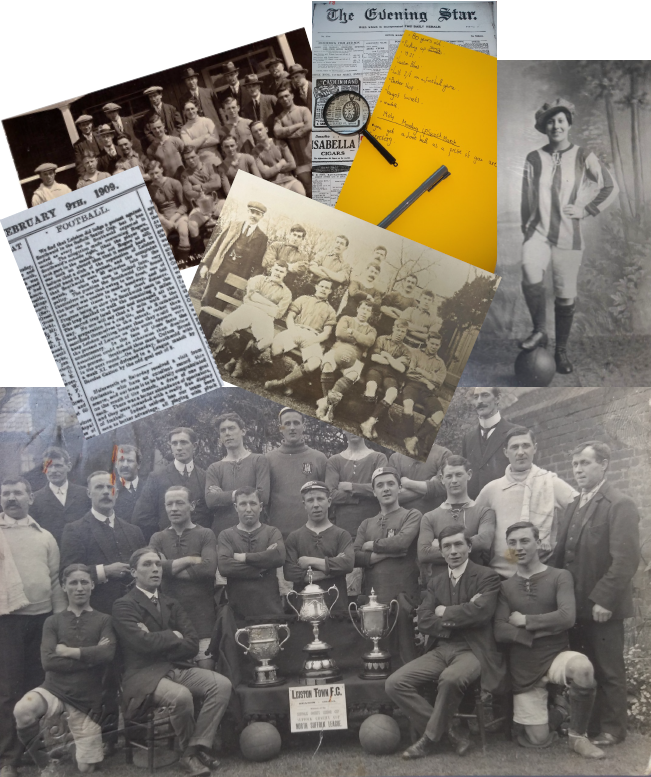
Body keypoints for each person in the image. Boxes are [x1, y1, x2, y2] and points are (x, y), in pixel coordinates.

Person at [385, 525, 506, 759]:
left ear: (469, 547)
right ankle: (451, 732)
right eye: (447, 546)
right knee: (395, 683)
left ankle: (428, 740)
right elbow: (425, 621)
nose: (453, 551)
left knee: (450, 678)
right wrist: (462, 611)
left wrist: (444, 611)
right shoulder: (435, 582)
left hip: (474, 650)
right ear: (441, 552)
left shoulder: (487, 576)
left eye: (458, 544)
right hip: (441, 649)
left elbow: (481, 613)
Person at [519, 99, 619, 374]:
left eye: (561, 120)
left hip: (569, 235)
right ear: (544, 127)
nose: (556, 125)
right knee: (529, 269)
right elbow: (526, 199)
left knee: (565, 296)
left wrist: (586, 209)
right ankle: (539, 330)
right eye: (550, 121)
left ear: (568, 124)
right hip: (538, 232)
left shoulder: (583, 154)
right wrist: (526, 230)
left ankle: (560, 351)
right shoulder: (533, 158)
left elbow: (610, 187)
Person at [550, 441, 640, 746]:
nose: (578, 470)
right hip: (575, 606)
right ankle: (587, 727)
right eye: (575, 464)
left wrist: (605, 599)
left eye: (585, 464)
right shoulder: (574, 505)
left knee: (608, 668)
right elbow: (562, 554)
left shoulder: (619, 503)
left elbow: (626, 559)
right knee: (584, 666)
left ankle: (613, 729)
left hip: (603, 606)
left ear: (604, 465)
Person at [112, 548, 231, 777]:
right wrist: (172, 635)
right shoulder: (124, 605)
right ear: (134, 572)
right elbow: (141, 644)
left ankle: (192, 750)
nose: (155, 569)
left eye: (158, 564)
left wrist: (157, 638)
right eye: (147, 565)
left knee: (221, 685)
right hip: (143, 675)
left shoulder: (171, 603)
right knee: (181, 696)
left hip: (176, 668)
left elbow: (193, 644)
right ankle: (193, 756)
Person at [495, 521, 605, 758]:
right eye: (512, 543)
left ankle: (578, 737)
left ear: (538, 542)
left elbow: (566, 617)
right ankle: (560, 711)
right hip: (524, 667)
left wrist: (526, 620)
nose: (519, 547)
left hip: (556, 655)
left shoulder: (560, 576)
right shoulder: (504, 587)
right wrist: (537, 634)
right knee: (538, 739)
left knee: (583, 668)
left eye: (525, 541)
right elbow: (500, 630)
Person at [13, 564, 116, 775]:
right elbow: (48, 662)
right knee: (22, 710)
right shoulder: (53, 621)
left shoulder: (104, 620)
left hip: (87, 697)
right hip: (54, 688)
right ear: (63, 586)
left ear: (92, 585)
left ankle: (71, 744)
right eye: (73, 583)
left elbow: (107, 655)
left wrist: (70, 652)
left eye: (84, 582)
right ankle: (46, 765)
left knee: (87, 767)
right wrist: (90, 656)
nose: (79, 588)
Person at [0, 477, 66, 777]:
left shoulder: (45, 536)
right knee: (8, 689)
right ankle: (9, 759)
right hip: (7, 622)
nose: (11, 498)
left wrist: (59, 622)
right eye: (6, 494)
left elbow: (54, 581)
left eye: (17, 493)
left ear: (31, 498)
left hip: (42, 620)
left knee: (39, 688)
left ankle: (40, 755)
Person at [475, 425, 577, 580]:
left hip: (540, 576)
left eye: (526, 446)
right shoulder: (492, 489)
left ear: (534, 449)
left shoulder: (550, 483)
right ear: (505, 452)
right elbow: (472, 522)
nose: (521, 452)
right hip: (500, 576)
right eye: (514, 447)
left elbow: (582, 508)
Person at [150, 486, 217, 670]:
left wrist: (169, 569)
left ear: (192, 505)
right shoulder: (157, 538)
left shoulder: (205, 534)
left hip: (202, 620)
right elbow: (153, 570)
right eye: (169, 504)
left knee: (207, 675)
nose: (174, 508)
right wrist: (189, 560)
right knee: (178, 678)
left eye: (179, 503)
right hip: (170, 623)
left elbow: (209, 569)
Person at [59, 471, 146, 614]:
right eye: (99, 487)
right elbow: (66, 573)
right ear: (88, 493)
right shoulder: (75, 530)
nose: (106, 492)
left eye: (110, 487)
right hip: (97, 611)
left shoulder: (133, 531)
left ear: (116, 494)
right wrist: (105, 571)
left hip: (135, 611)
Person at [418, 456, 496, 584]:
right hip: (441, 585)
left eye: (459, 475)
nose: (454, 480)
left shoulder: (484, 512)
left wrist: (443, 545)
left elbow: (484, 541)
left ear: (469, 475)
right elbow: (423, 553)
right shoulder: (430, 517)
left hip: (474, 583)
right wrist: (468, 545)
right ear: (442, 479)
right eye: (449, 476)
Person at [197, 200, 268, 337]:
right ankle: (198, 332)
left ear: (262, 217)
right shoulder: (233, 225)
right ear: (248, 212)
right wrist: (205, 264)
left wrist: (251, 282)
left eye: (258, 214)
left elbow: (258, 264)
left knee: (220, 305)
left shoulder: (262, 238)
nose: (254, 215)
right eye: (252, 212)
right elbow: (216, 245)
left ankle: (206, 335)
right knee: (207, 300)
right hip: (218, 270)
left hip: (237, 277)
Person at [353, 467, 422, 605]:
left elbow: (401, 542)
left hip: (405, 597)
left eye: (391, 484)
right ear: (374, 492)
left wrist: (372, 545)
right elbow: (355, 556)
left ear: (400, 488)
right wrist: (389, 553)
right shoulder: (366, 524)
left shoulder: (412, 515)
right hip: (373, 598)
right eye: (380, 485)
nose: (386, 489)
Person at [284, 481, 354, 614]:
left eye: (320, 499)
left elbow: (347, 564)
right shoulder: (294, 537)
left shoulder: (342, 535)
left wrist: (310, 561)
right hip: (304, 610)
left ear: (329, 501)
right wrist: (332, 569)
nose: (316, 505)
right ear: (304, 505)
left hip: (336, 606)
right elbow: (290, 572)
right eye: (310, 500)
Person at [217, 487, 285, 621]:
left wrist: (243, 557)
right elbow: (225, 566)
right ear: (236, 507)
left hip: (270, 608)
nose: (248, 509)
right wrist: (263, 566)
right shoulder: (226, 535)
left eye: (253, 503)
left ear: (260, 507)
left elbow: (278, 557)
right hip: (238, 612)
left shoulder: (272, 532)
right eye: (243, 504)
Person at [218, 260, 292, 379]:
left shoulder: (286, 293)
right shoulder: (258, 279)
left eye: (281, 271)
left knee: (266, 341)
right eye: (276, 269)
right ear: (271, 269)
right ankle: (238, 359)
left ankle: (242, 360)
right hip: (248, 309)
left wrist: (256, 301)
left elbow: (277, 313)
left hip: (265, 317)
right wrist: (271, 305)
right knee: (226, 325)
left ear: (286, 274)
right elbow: (251, 295)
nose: (278, 273)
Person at [132, 427, 209, 541]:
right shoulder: (157, 477)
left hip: (199, 543)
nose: (178, 448)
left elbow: (210, 515)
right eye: (174, 443)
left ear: (195, 445)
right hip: (168, 544)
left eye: (183, 442)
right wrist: (164, 536)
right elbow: (141, 517)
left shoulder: (205, 476)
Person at [264, 277, 337, 396]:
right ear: (316, 287)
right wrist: (293, 332)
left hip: (313, 336)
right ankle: (286, 380)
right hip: (296, 329)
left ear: (330, 292)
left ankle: (280, 383)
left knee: (314, 363)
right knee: (276, 347)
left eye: (327, 288)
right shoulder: (303, 299)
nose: (323, 289)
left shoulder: (331, 311)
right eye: (322, 286)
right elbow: (290, 317)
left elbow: (326, 333)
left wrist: (311, 340)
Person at [205, 412, 270, 537]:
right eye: (223, 430)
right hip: (223, 532)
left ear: (243, 431)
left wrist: (225, 495)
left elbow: (263, 495)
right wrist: (246, 493)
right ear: (220, 437)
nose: (227, 433)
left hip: (254, 532)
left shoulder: (258, 461)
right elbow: (210, 500)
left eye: (231, 428)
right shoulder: (214, 468)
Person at [266, 408, 327, 538]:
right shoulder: (268, 459)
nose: (292, 428)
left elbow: (327, 498)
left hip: (313, 534)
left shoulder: (319, 458)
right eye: (287, 424)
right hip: (278, 535)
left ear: (303, 426)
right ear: (280, 428)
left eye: (296, 423)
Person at [316, 298, 377, 424]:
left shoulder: (372, 330)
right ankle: (328, 404)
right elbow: (339, 333)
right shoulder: (346, 319)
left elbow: (369, 342)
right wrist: (358, 340)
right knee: (327, 365)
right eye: (363, 309)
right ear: (358, 309)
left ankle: (326, 405)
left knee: (353, 374)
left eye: (368, 310)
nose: (364, 312)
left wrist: (352, 332)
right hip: (337, 349)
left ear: (371, 314)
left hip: (355, 357)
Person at [325, 433, 388, 538]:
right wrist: (361, 496)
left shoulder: (378, 458)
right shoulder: (334, 461)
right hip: (344, 528)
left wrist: (351, 487)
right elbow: (329, 495)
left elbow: (382, 489)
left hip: (373, 526)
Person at [360, 318, 412, 440]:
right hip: (376, 370)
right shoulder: (382, 339)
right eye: (398, 330)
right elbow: (374, 357)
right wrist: (393, 361)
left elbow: (400, 369)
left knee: (392, 393)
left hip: (391, 376)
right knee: (371, 387)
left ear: (405, 333)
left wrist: (386, 355)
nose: (400, 333)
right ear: (393, 328)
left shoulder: (406, 350)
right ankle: (370, 424)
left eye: (403, 332)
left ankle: (369, 423)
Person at [462, 387, 517, 500]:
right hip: (475, 510)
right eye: (476, 397)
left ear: (497, 399)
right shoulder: (468, 438)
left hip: (505, 505)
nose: (479, 401)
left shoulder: (515, 433)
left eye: (485, 395)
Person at [30, 446, 90, 544]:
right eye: (48, 466)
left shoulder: (84, 494)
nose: (53, 470)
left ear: (69, 467)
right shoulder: (35, 499)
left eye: (58, 465)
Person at [402, 329, 448, 458]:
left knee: (439, 415)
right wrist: (427, 380)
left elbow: (439, 382)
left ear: (440, 345)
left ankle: (414, 440)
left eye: (437, 345)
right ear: (427, 341)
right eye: (432, 343)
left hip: (428, 393)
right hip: (412, 386)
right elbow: (410, 373)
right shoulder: (416, 353)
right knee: (408, 405)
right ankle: (408, 436)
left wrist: (422, 372)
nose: (434, 347)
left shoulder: (440, 363)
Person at [147, 160, 197, 264]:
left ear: (161, 170)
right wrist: (165, 222)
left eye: (156, 172)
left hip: (179, 215)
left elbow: (184, 204)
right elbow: (154, 211)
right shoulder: (149, 190)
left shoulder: (174, 182)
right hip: (163, 219)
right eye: (151, 174)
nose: (155, 176)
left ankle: (183, 261)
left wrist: (173, 219)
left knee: (183, 232)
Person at [389, 444, 450, 515]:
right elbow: (392, 496)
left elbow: (444, 486)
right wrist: (431, 486)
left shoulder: (444, 454)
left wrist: (408, 483)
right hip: (404, 521)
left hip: (436, 520)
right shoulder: (396, 458)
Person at [292, 234, 351, 307]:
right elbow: (312, 267)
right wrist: (332, 277)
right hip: (311, 287)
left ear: (345, 247)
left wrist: (323, 268)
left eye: (341, 244)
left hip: (328, 294)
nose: (338, 245)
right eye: (337, 242)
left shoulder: (345, 265)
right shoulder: (322, 255)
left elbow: (341, 279)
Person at [274, 86, 312, 197]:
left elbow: (309, 126)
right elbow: (277, 132)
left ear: (292, 95)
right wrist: (299, 125)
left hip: (313, 153)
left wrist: (289, 135)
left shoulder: (303, 110)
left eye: (286, 95)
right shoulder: (279, 118)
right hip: (298, 159)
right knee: (309, 188)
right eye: (281, 97)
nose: (284, 99)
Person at [251, 121, 305, 194]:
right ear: (253, 135)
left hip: (289, 180)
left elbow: (292, 164)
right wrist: (280, 164)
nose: (259, 133)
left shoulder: (279, 143)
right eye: (255, 132)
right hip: (273, 184)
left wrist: (271, 169)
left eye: (260, 129)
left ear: (266, 129)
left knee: (300, 192)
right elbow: (265, 174)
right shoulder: (255, 152)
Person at [180, 102, 221, 168]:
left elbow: (216, 139)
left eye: (192, 108)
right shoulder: (184, 129)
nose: (190, 111)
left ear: (197, 109)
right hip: (200, 163)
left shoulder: (207, 121)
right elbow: (189, 147)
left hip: (215, 158)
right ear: (184, 112)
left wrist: (196, 144)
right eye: (187, 110)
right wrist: (204, 137)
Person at [113, 444, 147, 523]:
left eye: (130, 461)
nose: (125, 465)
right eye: (121, 460)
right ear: (115, 464)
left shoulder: (148, 488)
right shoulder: (110, 490)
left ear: (139, 464)